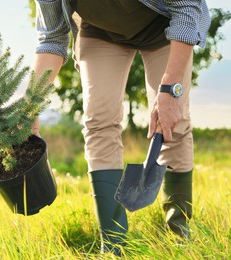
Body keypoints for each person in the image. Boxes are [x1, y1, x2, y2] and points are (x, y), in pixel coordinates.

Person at [31, 0, 211, 255]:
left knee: (174, 124)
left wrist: (171, 89)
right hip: (101, 30)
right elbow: (51, 38)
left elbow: (187, 7)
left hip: (164, 24)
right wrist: (31, 103)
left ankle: (179, 237)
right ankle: (113, 246)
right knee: (99, 122)